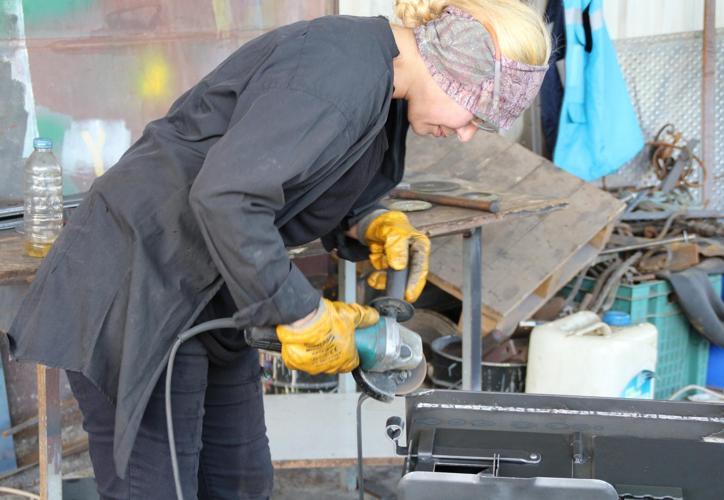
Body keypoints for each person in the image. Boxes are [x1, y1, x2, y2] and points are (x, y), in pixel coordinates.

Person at [7, 1, 549, 498]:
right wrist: (306, 316)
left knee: (241, 484)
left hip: (211, 295)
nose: (467, 134)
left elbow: (303, 174)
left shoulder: (380, 85)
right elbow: (228, 196)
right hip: (140, 288)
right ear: (454, 68)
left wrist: (370, 222)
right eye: (476, 115)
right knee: (159, 488)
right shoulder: (339, 71)